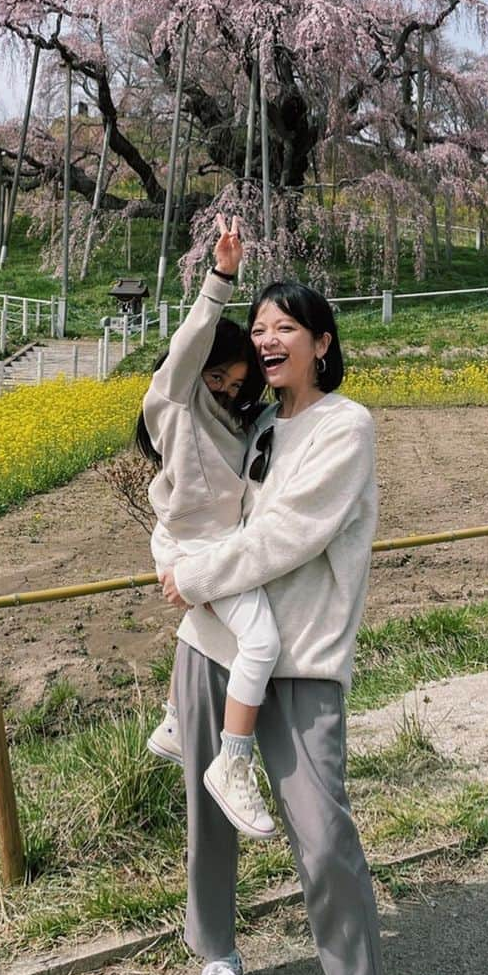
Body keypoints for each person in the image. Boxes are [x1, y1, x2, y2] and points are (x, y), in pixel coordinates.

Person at [158, 279, 411, 975]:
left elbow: (278, 537)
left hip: (298, 662)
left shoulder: (347, 427)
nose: (267, 340)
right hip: (213, 650)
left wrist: (190, 574)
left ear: (323, 343)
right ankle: (219, 959)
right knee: (208, 817)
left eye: (285, 327)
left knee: (324, 834)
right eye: (259, 329)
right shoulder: (257, 424)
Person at [138, 215, 279, 839]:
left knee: (209, 623)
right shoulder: (174, 399)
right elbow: (192, 342)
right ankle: (234, 761)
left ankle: (173, 719)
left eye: (235, 381)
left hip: (208, 545)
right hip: (194, 545)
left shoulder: (230, 421)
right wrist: (221, 277)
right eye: (216, 375)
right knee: (262, 643)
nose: (223, 387)